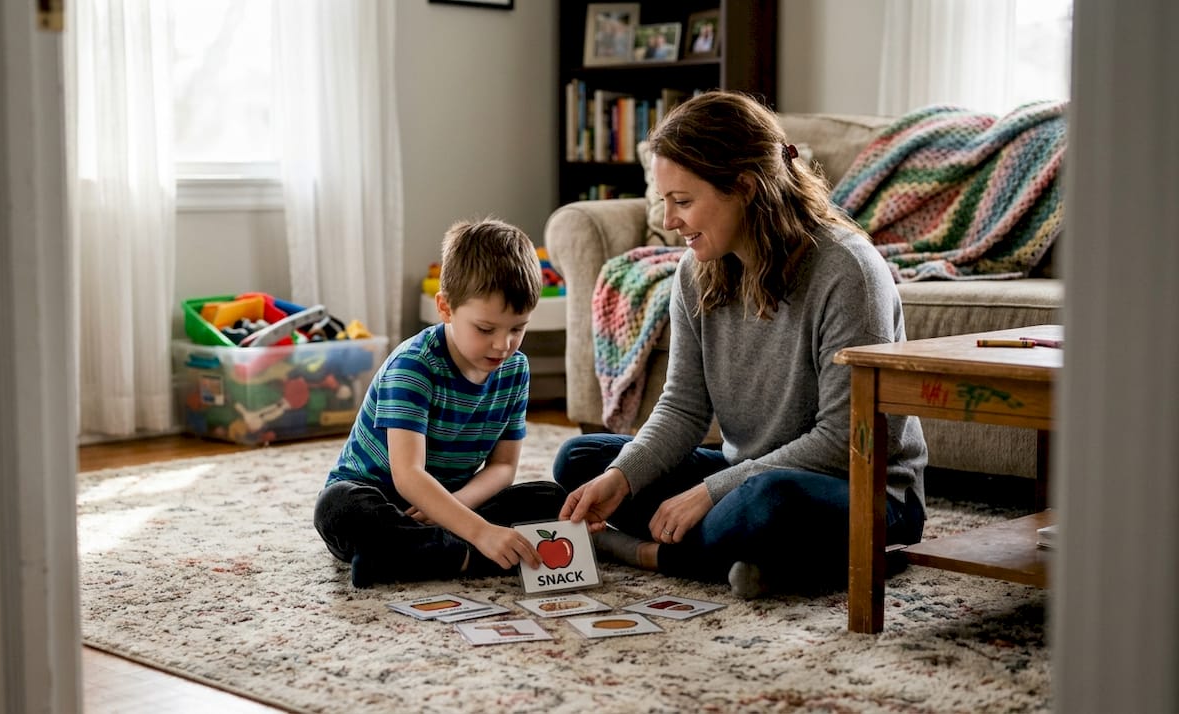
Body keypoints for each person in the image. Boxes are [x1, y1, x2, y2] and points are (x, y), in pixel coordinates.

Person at [556, 91, 928, 598]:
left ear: (745, 188)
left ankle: (659, 555)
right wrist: (623, 477)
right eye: (665, 202)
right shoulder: (694, 272)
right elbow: (683, 408)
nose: (668, 222)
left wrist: (711, 492)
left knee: (767, 502)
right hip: (746, 473)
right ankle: (763, 561)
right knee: (581, 461)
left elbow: (844, 440)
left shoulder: (848, 272)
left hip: (863, 489)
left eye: (682, 201)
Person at [315, 218, 567, 588]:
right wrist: (480, 533)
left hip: (453, 501)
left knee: (551, 499)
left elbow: (503, 467)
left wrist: (457, 507)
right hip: (384, 498)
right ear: (445, 308)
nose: (503, 345)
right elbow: (408, 476)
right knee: (337, 506)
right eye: (485, 329)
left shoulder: (515, 369)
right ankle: (466, 556)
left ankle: (410, 558)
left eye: (517, 328)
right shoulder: (414, 365)